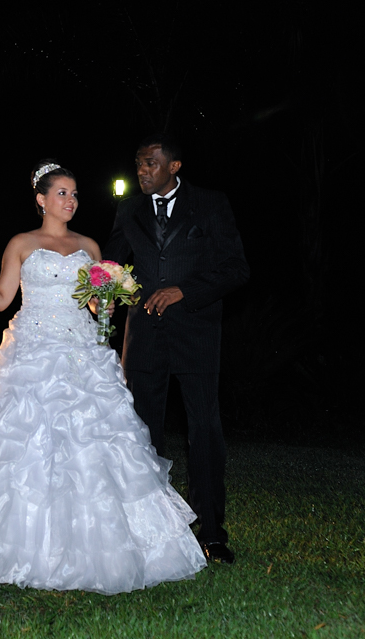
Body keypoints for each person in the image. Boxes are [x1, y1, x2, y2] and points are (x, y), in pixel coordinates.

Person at [0, 159, 207, 594]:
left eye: (74, 194)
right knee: (32, 449)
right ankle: (30, 548)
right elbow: (2, 300)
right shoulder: (21, 242)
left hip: (81, 353)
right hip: (33, 352)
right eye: (62, 193)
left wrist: (109, 303)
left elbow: (97, 305)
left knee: (95, 451)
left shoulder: (90, 246)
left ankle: (105, 548)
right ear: (41, 200)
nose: (70, 200)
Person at [103, 134, 249, 564]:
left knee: (203, 431)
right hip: (143, 337)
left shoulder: (210, 203)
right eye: (138, 163)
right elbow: (111, 259)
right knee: (142, 433)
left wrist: (184, 290)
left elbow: (236, 269)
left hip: (197, 334)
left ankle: (212, 532)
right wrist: (104, 288)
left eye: (150, 163)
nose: (142, 171)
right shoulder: (129, 208)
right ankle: (150, 529)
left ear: (175, 166)